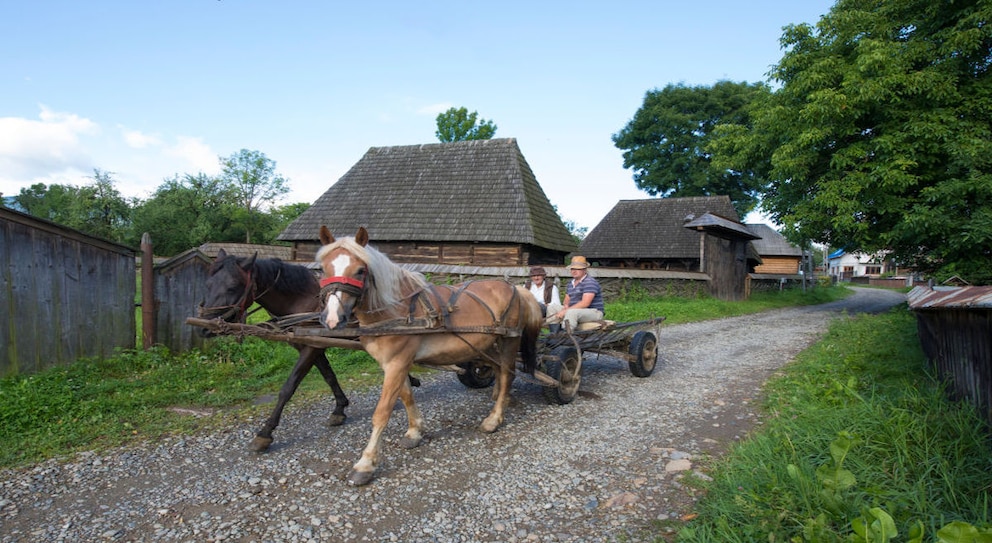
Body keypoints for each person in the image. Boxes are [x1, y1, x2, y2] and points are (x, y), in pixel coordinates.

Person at [547, 255, 604, 333]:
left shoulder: (590, 282)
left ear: (585, 270)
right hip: (576, 310)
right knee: (552, 308)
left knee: (571, 312)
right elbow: (566, 300)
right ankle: (554, 334)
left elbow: (585, 303)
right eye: (573, 269)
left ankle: (566, 335)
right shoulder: (571, 283)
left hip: (593, 311)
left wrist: (566, 311)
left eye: (578, 269)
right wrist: (566, 306)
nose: (574, 271)